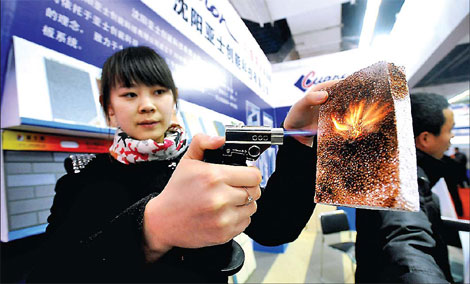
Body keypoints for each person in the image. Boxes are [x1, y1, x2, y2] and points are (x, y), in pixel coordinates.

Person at [27, 46, 337, 283]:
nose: (147, 104)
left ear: (173, 101)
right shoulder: (80, 180)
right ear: (109, 110)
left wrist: (300, 139)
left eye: (158, 91)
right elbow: (47, 274)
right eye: (129, 93)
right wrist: (150, 230)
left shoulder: (206, 165)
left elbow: (275, 227)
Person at [355, 93, 458, 283]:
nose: (452, 136)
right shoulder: (400, 178)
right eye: (450, 129)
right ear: (425, 138)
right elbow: (408, 242)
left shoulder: (403, 170)